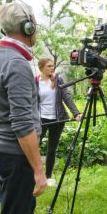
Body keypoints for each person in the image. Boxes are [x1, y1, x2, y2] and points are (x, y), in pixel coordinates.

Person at [0, 1, 47, 214]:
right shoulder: (16, 64)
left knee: (18, 213)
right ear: (28, 27)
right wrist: (39, 170)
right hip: (16, 155)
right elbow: (21, 125)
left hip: (0, 148)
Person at [38, 58, 82, 186]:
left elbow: (66, 96)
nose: (52, 68)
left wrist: (76, 113)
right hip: (40, 119)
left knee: (52, 149)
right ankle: (34, 175)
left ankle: (48, 177)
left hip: (57, 119)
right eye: (49, 66)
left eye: (53, 66)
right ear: (41, 67)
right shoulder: (35, 82)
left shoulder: (58, 80)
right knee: (35, 146)